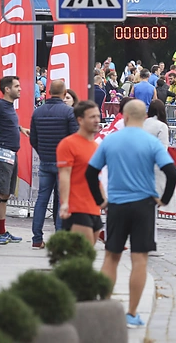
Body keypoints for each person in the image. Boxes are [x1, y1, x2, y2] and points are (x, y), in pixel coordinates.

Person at [86, 100, 176, 328]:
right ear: (144, 117)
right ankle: (131, 313)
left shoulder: (112, 141)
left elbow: (90, 173)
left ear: (125, 117)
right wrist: (163, 200)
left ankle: (105, 308)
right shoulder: (151, 142)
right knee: (139, 260)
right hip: (144, 206)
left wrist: (101, 201)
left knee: (111, 257)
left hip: (117, 205)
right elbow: (171, 172)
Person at [30, 79, 79, 249]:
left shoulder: (38, 112)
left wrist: (43, 152)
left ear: (48, 92)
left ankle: (37, 238)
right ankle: (59, 237)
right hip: (63, 163)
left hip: (45, 161)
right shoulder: (69, 112)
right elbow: (75, 138)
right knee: (62, 199)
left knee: (41, 199)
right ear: (65, 93)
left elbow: (33, 139)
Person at [0, 76, 30, 245]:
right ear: (6, 89)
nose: (20, 89)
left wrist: (20, 128)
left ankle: (2, 231)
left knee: (5, 193)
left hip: (11, 153)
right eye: (17, 86)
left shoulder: (8, 106)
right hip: (1, 153)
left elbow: (6, 123)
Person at [57, 101, 104, 245]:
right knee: (81, 258)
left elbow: (97, 178)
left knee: (86, 259)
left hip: (94, 209)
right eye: (92, 117)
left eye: (98, 116)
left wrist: (104, 202)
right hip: (77, 208)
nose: (97, 120)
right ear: (80, 120)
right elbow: (64, 175)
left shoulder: (96, 146)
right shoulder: (68, 144)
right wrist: (65, 203)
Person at [143, 99, 176, 254]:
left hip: (142, 166)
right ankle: (151, 243)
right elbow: (162, 149)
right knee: (154, 207)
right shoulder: (162, 126)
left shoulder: (143, 124)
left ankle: (146, 241)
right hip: (157, 168)